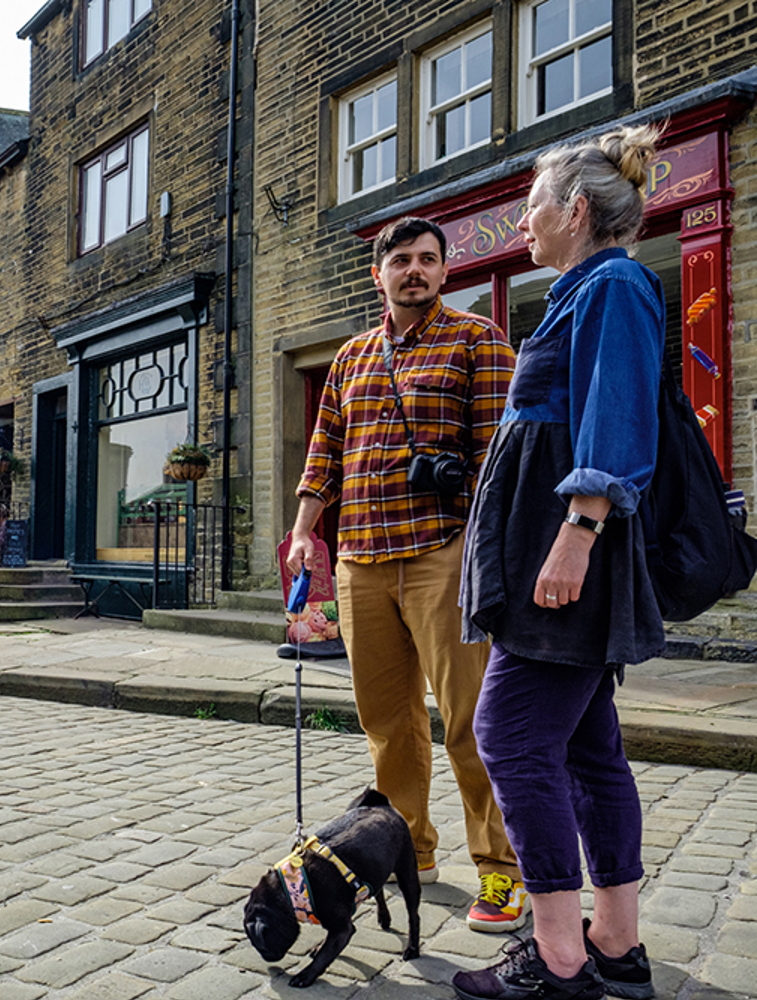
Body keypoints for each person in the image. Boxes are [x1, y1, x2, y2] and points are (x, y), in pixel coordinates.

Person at [453, 124, 665, 1000]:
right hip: (555, 559)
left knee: (506, 734)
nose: (522, 223)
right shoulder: (588, 288)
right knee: (587, 750)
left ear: (574, 210)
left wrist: (577, 532)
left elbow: (617, 425)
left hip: (563, 564)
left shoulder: (612, 285)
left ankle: (559, 958)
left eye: (531, 205)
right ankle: (615, 946)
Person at [288, 216, 524, 931]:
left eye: (427, 259)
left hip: (443, 552)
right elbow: (324, 451)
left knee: (472, 722)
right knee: (388, 725)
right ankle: (407, 850)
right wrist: (303, 531)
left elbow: (498, 455)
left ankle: (502, 868)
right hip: (360, 558)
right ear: (379, 273)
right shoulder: (352, 357)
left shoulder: (479, 339)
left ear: (445, 272)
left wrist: (489, 550)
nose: (413, 269)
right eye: (400, 260)